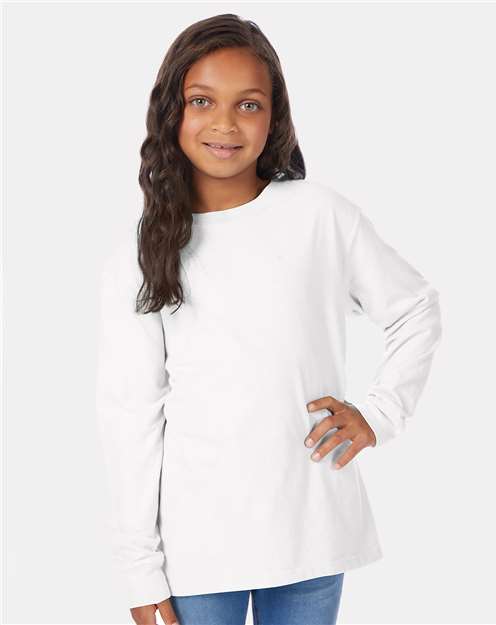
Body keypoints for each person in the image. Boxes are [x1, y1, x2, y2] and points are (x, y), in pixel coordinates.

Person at [95, 13, 443, 625]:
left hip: (311, 534)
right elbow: (131, 416)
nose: (225, 123)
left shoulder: (318, 216)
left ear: (274, 116)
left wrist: (380, 414)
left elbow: (414, 307)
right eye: (202, 101)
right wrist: (138, 570)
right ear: (172, 111)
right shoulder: (142, 252)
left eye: (249, 104)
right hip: (198, 548)